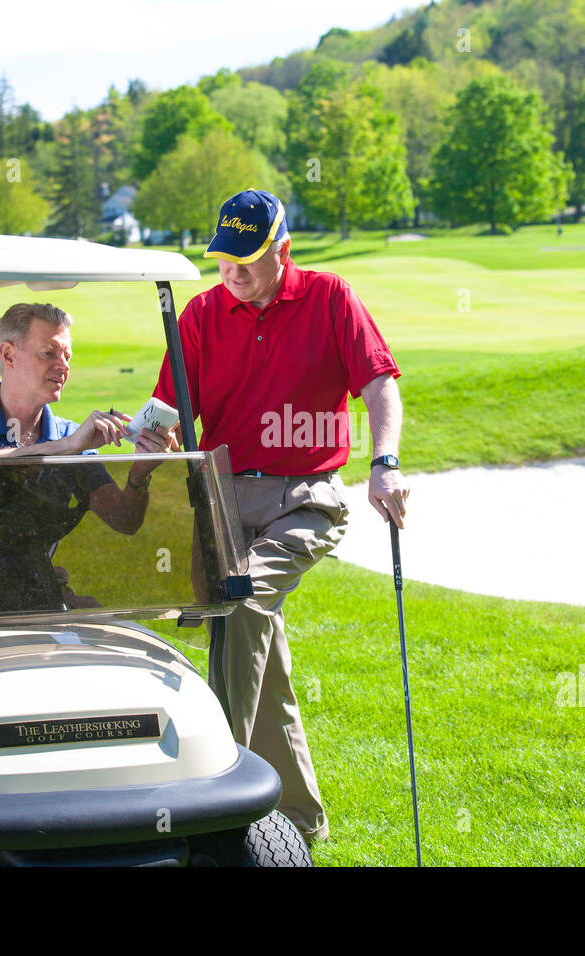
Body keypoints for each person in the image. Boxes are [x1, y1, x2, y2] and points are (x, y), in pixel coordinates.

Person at [152, 189, 409, 843]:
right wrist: (151, 441)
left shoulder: (328, 298)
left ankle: (213, 798)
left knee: (239, 602)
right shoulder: (203, 315)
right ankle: (299, 818)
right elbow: (167, 412)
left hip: (305, 498)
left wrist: (385, 463)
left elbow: (379, 381)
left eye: (247, 258)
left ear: (282, 251)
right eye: (223, 259)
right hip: (223, 499)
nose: (232, 272)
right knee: (263, 660)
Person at [0, 302, 176, 611]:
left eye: (67, 356)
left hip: (33, 598)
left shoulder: (69, 437)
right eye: (49, 353)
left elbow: (123, 520)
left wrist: (140, 473)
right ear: (8, 355)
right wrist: (64, 448)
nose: (64, 366)